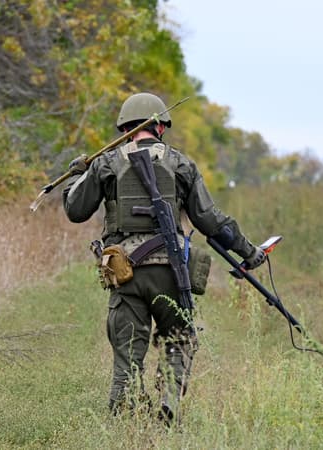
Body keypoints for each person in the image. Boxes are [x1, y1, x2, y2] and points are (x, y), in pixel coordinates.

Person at [62, 92, 266, 423]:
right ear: (160, 127)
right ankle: (169, 399)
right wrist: (249, 251)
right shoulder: (181, 163)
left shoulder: (106, 163)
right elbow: (210, 220)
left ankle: (125, 418)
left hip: (124, 272)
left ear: (126, 129)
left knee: (127, 356)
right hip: (171, 271)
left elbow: (76, 210)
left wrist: (75, 175)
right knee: (179, 339)